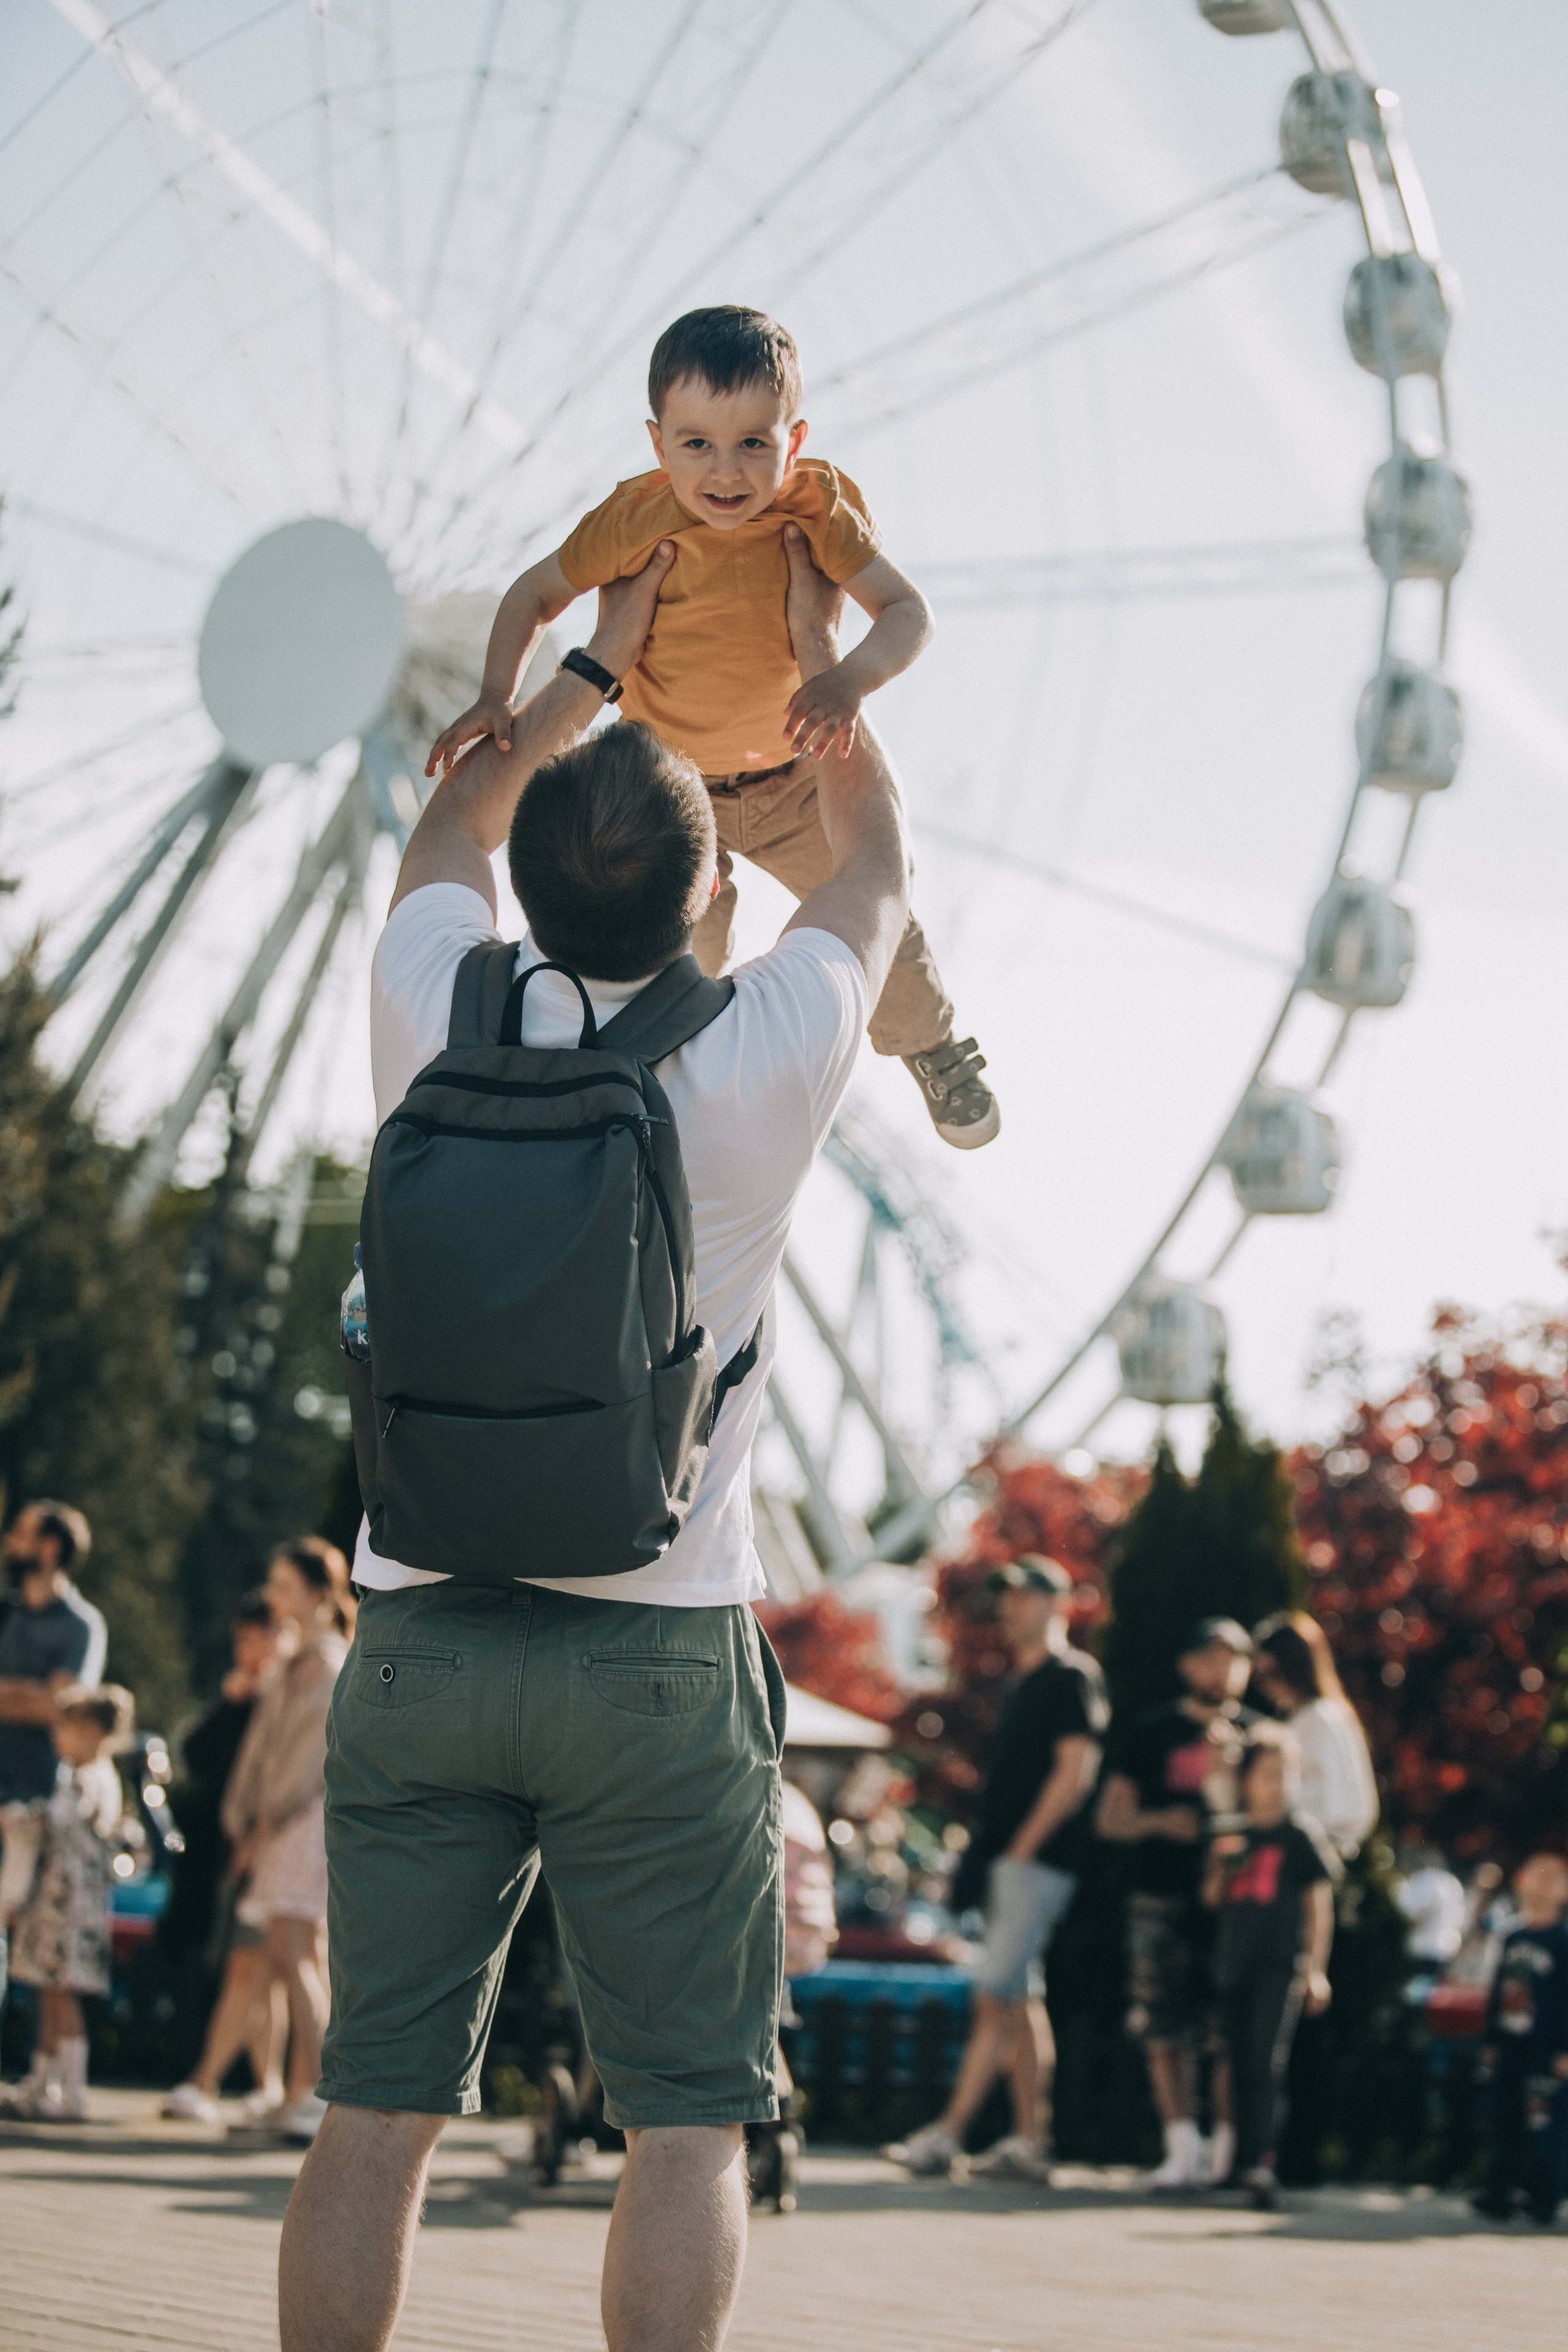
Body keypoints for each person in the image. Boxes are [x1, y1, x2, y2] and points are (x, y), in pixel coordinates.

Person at [277, 529, 910, 2352]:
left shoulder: (429, 1000)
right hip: (655, 1633)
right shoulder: (765, 1052)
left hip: (424, 1622)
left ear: (537, 893)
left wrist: (591, 666)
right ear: (710, 885)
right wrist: (825, 671)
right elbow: (869, 869)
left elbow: (446, 817)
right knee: (688, 2112)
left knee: (374, 2109)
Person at [424, 303, 998, 1152]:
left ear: (793, 442)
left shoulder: (816, 510)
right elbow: (534, 595)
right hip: (670, 783)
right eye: (697, 444)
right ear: (658, 445)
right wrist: (494, 694)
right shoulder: (633, 518)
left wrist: (845, 679)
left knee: (882, 919)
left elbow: (909, 613)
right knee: (678, 949)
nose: (725, 472)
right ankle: (663, 1094)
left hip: (793, 775)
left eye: (753, 445)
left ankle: (927, 1045)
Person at [888, 1556, 1106, 2182]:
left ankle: (947, 2136)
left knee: (993, 1997)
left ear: (1056, 1603)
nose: (1011, 1608)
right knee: (1017, 1999)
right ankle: (1030, 2142)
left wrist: (1021, 1849)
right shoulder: (1020, 1684)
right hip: (1012, 1865)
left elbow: (1074, 1774)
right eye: (1006, 1598)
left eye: (1025, 1596)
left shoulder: (1071, 1677)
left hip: (1033, 1866)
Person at [1096, 1616, 1258, 2191]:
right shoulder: (1151, 1732)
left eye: (1233, 1659)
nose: (1221, 1670)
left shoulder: (1261, 1736)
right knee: (1163, 2023)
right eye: (1210, 1657)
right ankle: (1181, 2147)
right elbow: (1110, 1819)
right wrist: (1161, 1821)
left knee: (1228, 2031)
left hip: (1234, 1903)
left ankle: (1229, 2150)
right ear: (1187, 1665)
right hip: (1160, 1895)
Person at [221, 1540, 352, 2142]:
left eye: (283, 1586)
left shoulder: (324, 1664)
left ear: (315, 1593)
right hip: (290, 1824)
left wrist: (264, 1822)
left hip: (300, 1826)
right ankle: (303, 2092)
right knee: (297, 1954)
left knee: (295, 1954)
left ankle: (319, 2089)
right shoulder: (300, 1661)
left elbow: (303, 1766)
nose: (273, 1597)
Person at [162, 1593, 288, 2124]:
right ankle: (271, 2087)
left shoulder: (289, 1694)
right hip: (236, 1849)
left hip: (272, 1846)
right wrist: (232, 1702)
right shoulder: (247, 1699)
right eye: (243, 1640)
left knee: (249, 1967)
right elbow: (194, 1754)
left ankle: (205, 2081)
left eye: (260, 1638)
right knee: (263, 1971)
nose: (249, 1650)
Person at [1201, 1722, 1339, 2211]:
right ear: (1246, 1779)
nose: (1275, 1783)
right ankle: (1235, 2164)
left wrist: (1315, 1969)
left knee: (1265, 2063)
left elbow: (1318, 1906)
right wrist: (1221, 1861)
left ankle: (1263, 2162)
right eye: (1265, 1773)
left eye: (1285, 1773)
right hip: (1233, 1963)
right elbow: (1212, 1897)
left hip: (1279, 1966)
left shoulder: (1300, 1836)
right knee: (1235, 2065)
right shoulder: (1234, 1833)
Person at [1, 1683, 132, 2120]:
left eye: (66, 1727)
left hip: (70, 1905)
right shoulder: (87, 1777)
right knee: (48, 1990)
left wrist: (17, 1816)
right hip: (59, 1902)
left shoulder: (88, 1779)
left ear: (92, 1731)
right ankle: (43, 2082)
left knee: (63, 1992)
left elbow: (56, 1820)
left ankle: (72, 2089)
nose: (58, 1736)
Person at [0, 1501, 104, 2043]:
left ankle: (44, 2069)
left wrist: (33, 1697)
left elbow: (60, 1704)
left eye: (20, 1534)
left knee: (40, 1944)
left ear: (50, 1548)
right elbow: (40, 1696)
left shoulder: (82, 1624)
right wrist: (29, 1694)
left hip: (39, 1800)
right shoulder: (6, 1612)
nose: (9, 1542)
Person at [1471, 1852, 1568, 2226]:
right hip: (1511, 2046)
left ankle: (1543, 2195)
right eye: (1538, 1873)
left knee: (1544, 2121)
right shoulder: (1512, 1936)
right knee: (1505, 2118)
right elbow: (1499, 1992)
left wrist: (1563, 2049)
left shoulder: (1562, 1940)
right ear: (1521, 1880)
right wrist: (1491, 2042)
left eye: (1555, 1876)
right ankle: (1500, 2190)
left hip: (1546, 2050)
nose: (1544, 1882)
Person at [1251, 1613, 1378, 1859]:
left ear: (1296, 1668)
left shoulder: (1321, 1718)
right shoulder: (1309, 1717)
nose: (1267, 1686)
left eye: (1273, 1674)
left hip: (1314, 1854)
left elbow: (1339, 1806)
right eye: (1260, 1677)